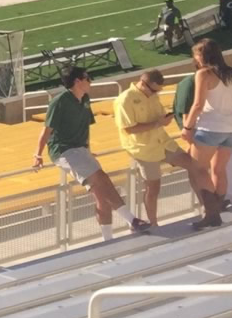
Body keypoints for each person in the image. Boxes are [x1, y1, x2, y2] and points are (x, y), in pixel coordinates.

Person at [33, 66, 147, 238]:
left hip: (80, 150)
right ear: (77, 81)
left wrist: (88, 150)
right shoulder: (60, 102)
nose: (90, 81)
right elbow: (46, 130)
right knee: (102, 178)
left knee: (102, 196)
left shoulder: (85, 98)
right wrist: (38, 154)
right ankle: (133, 220)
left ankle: (107, 239)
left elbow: (85, 127)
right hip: (65, 150)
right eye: (87, 78)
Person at [115, 68, 213, 226]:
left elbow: (159, 116)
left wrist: (165, 118)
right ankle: (153, 224)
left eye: (158, 91)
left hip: (163, 142)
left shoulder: (153, 96)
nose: (155, 94)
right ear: (143, 83)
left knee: (194, 166)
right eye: (154, 90)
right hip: (143, 149)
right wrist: (157, 123)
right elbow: (128, 128)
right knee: (153, 187)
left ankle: (207, 208)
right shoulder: (125, 100)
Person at [181, 37, 232, 221]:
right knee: (219, 169)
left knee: (198, 169)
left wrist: (187, 127)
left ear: (202, 55)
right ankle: (218, 205)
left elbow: (198, 104)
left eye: (196, 55)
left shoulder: (204, 74)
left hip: (210, 127)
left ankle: (211, 213)